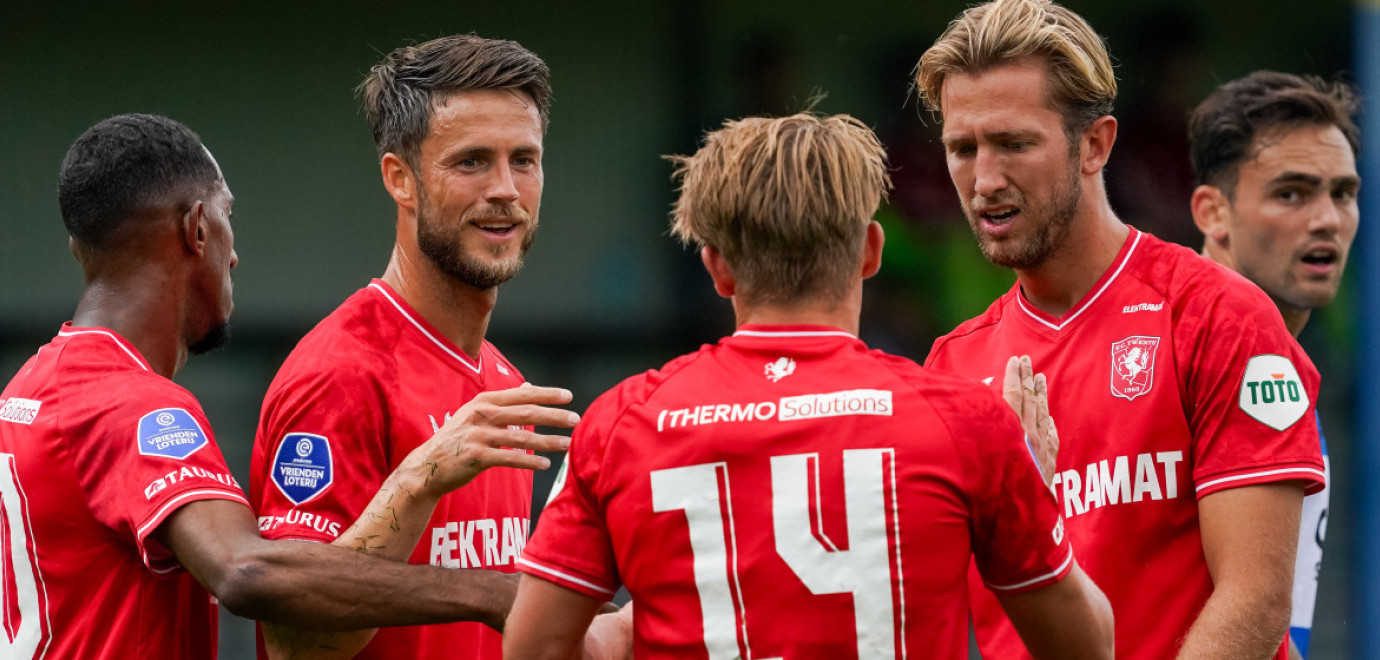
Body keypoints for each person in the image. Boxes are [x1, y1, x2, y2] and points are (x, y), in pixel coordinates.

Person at [503, 112, 1114, 659]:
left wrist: (640, 627)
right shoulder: (967, 422)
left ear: (715, 266)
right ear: (872, 251)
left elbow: (532, 649)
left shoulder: (621, 423)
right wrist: (1033, 489)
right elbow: (1086, 646)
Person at [0, 113, 577, 659]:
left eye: (525, 159)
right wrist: (495, 595)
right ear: (198, 229)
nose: (236, 255)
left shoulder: (32, 385)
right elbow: (247, 571)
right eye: (229, 216)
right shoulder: (134, 405)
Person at [914, 1, 1327, 658]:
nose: (984, 179)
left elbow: (1255, 601)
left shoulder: (1219, 316)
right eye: (962, 149)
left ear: (1096, 145)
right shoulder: (948, 370)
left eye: (1015, 143)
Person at [248, 34, 612, 660]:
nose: (506, 189)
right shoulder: (340, 373)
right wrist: (418, 479)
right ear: (400, 179)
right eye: (472, 161)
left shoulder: (503, 382)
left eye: (523, 160)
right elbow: (295, 642)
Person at [1188, 70, 1361, 659]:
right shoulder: (1164, 350)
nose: (1328, 220)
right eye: (1291, 193)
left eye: (1343, 193)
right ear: (1213, 212)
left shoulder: (1283, 365)